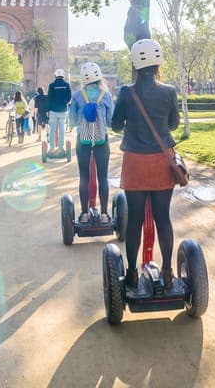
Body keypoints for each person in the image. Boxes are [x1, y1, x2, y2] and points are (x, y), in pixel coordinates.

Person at [110, 38, 180, 289]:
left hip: (136, 163)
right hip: (162, 162)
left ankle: (130, 272)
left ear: (135, 64)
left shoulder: (127, 92)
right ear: (159, 62)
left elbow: (116, 125)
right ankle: (168, 270)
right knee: (163, 218)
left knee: (135, 220)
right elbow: (173, 125)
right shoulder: (169, 91)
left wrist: (131, 124)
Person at [69, 62, 115, 224]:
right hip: (102, 141)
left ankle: (84, 214)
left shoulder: (77, 95)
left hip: (83, 140)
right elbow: (110, 121)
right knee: (103, 177)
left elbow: (73, 120)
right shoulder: (106, 96)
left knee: (84, 177)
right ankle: (103, 214)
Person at [46, 69, 72, 151]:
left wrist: (48, 110)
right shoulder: (67, 85)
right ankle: (61, 148)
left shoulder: (52, 85)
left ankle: (52, 148)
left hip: (53, 111)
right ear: (63, 76)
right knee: (61, 130)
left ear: (55, 76)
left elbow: (49, 98)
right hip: (63, 111)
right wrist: (64, 103)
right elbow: (69, 97)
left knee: (52, 130)